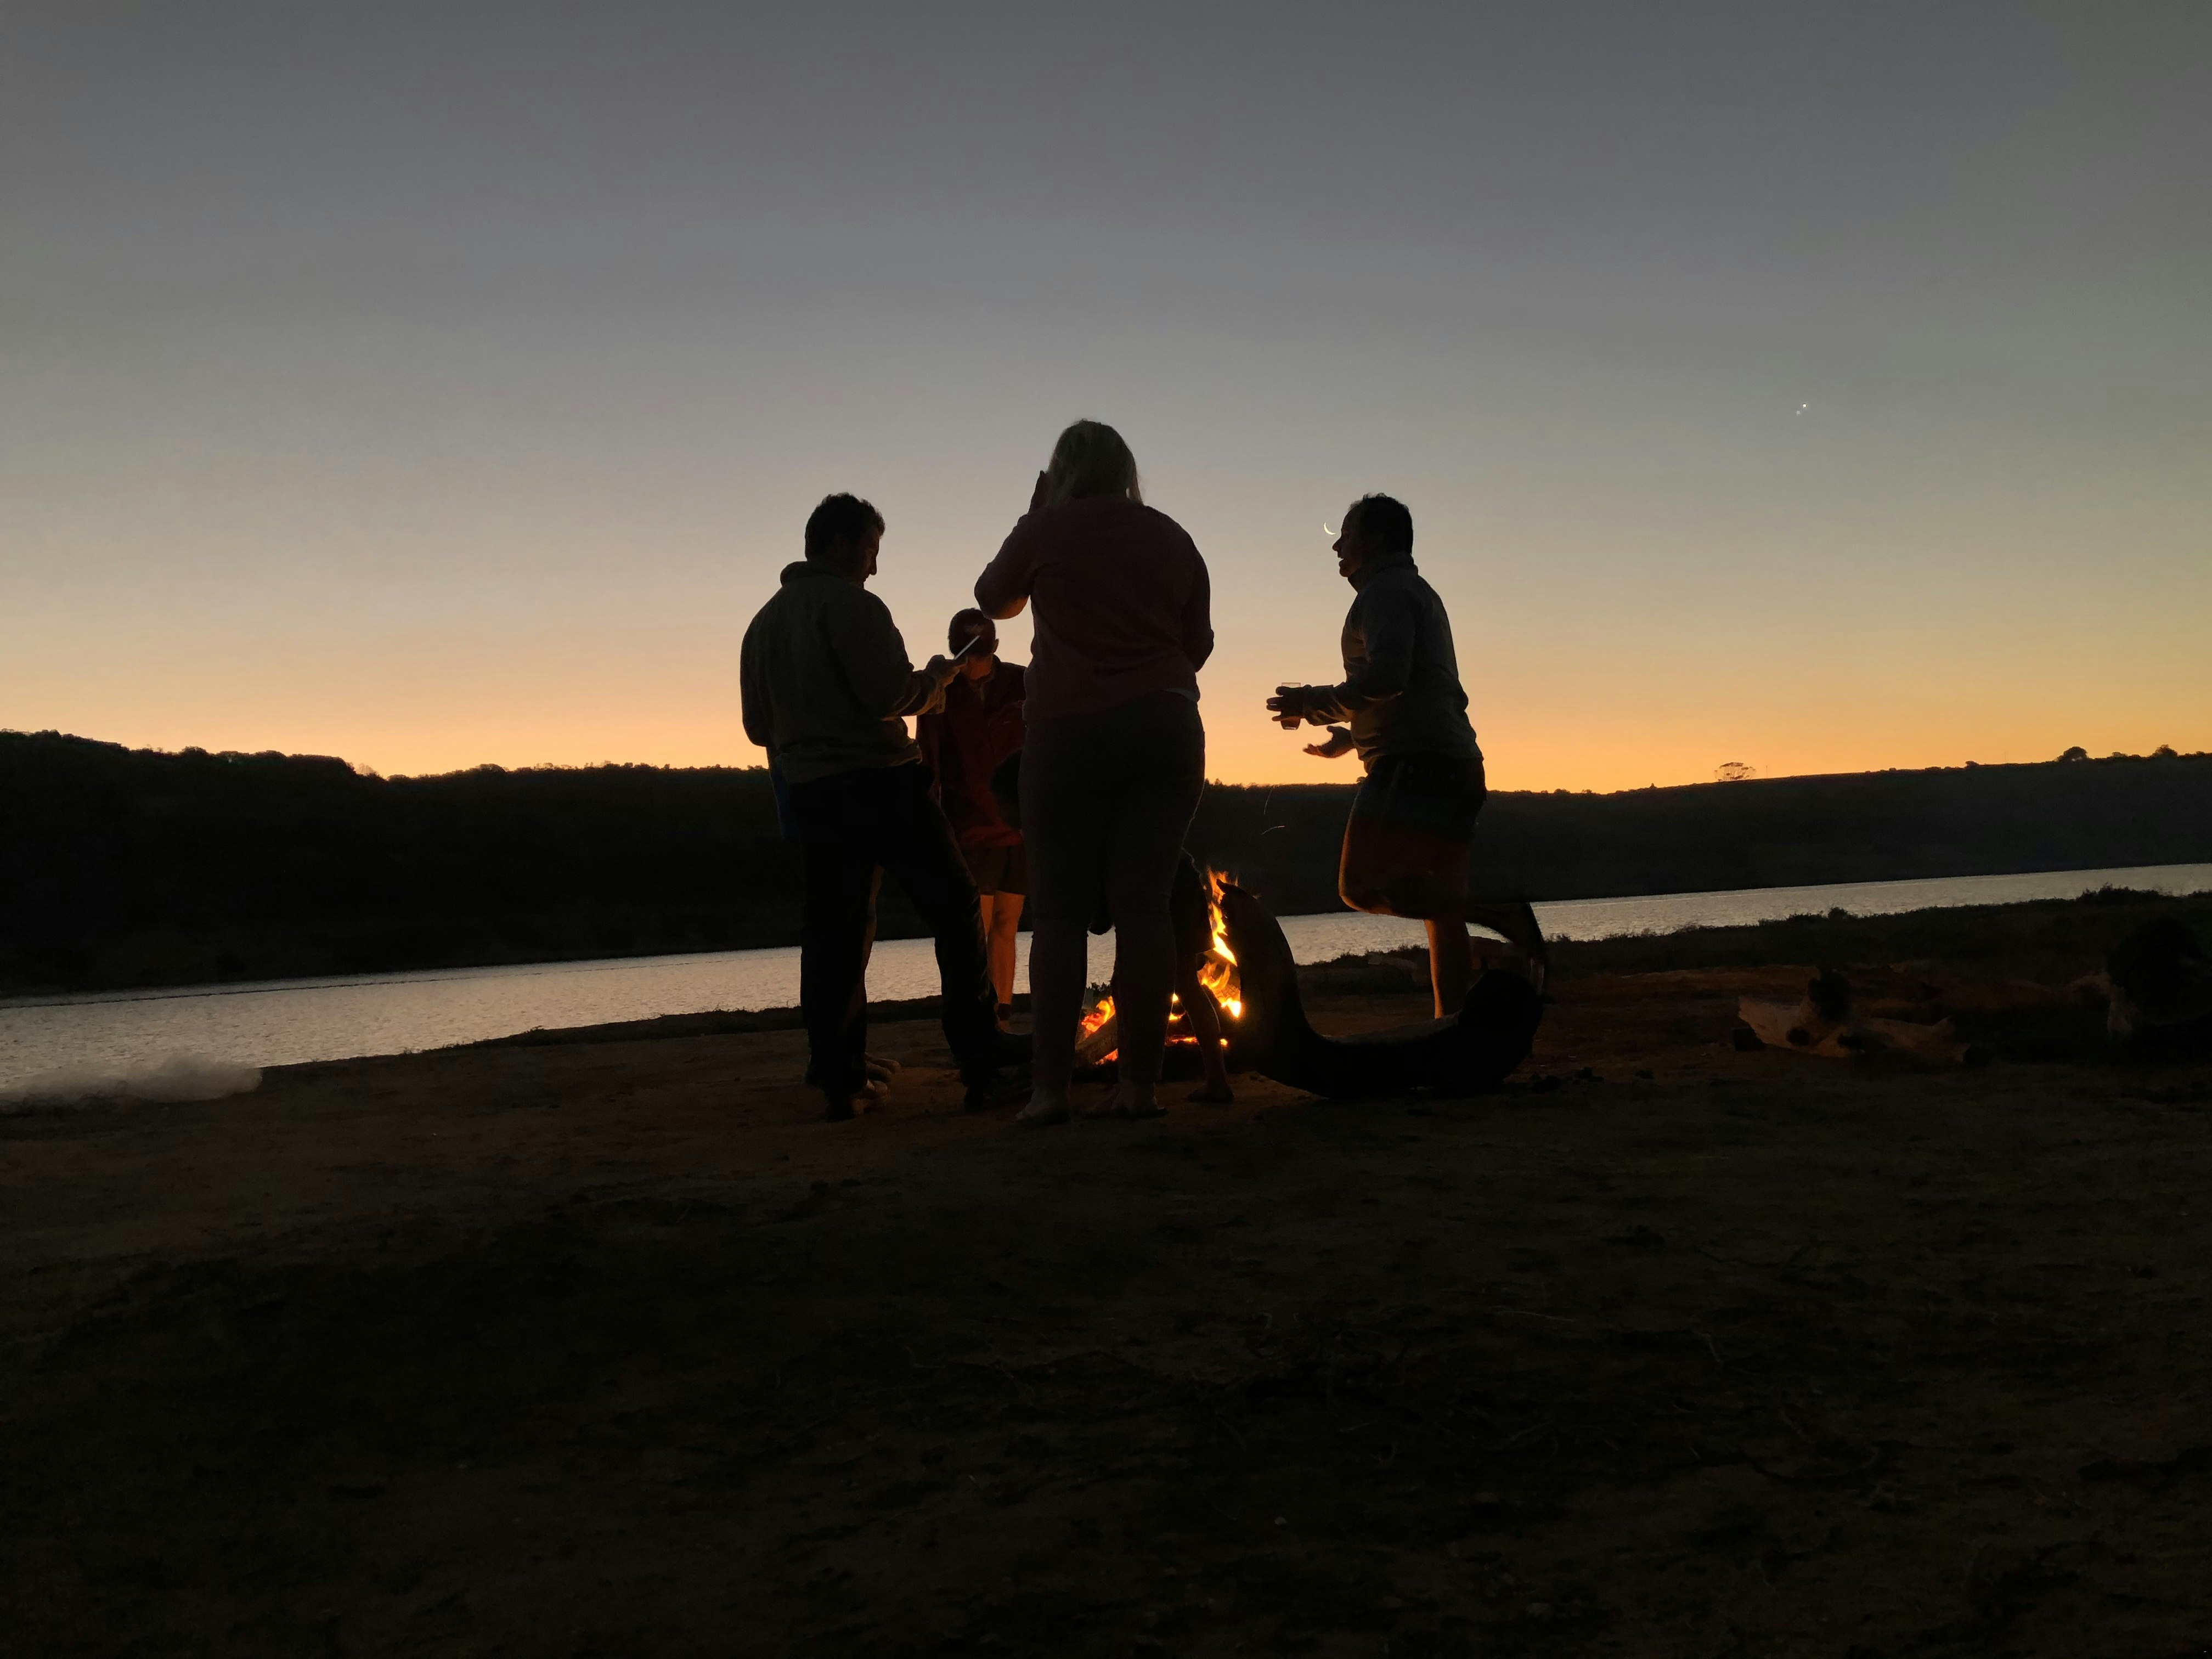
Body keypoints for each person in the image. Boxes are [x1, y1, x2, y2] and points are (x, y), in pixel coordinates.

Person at [740, 493, 1014, 1121]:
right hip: (880, 783)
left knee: (834, 931)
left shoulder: (763, 625)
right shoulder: (853, 606)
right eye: (870, 550)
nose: (874, 565)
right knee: (956, 904)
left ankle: (840, 1076)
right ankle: (981, 1056)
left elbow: (758, 727)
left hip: (810, 794)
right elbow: (891, 696)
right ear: (840, 545)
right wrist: (938, 680)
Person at [975, 421, 1213, 1125]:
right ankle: (1138, 1087)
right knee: (1144, 911)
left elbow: (993, 599)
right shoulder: (1171, 536)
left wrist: (1033, 515)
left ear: (1061, 475)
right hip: (1164, 727)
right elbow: (1197, 645)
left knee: (1058, 914)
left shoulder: (1046, 529)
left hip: (1068, 733)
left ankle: (1050, 1092)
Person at [1266, 494, 1528, 1018]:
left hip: (1414, 765)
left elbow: (1386, 678)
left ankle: (1499, 916)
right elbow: (1415, 688)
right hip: (1454, 762)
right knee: (1438, 908)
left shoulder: (1384, 594)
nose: (1337, 547)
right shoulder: (1414, 592)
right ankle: (1452, 1026)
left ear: (1376, 540)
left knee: (1360, 886)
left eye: (1346, 535)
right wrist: (1351, 738)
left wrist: (1311, 704)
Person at [916, 609, 1028, 1027]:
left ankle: (1002, 1015)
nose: (973, 662)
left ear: (995, 647)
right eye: (964, 653)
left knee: (1007, 924)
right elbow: (928, 764)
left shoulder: (1022, 682)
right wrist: (931, 825)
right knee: (974, 929)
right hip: (968, 828)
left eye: (980, 653)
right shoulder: (939, 694)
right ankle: (977, 1019)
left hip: (1019, 825)